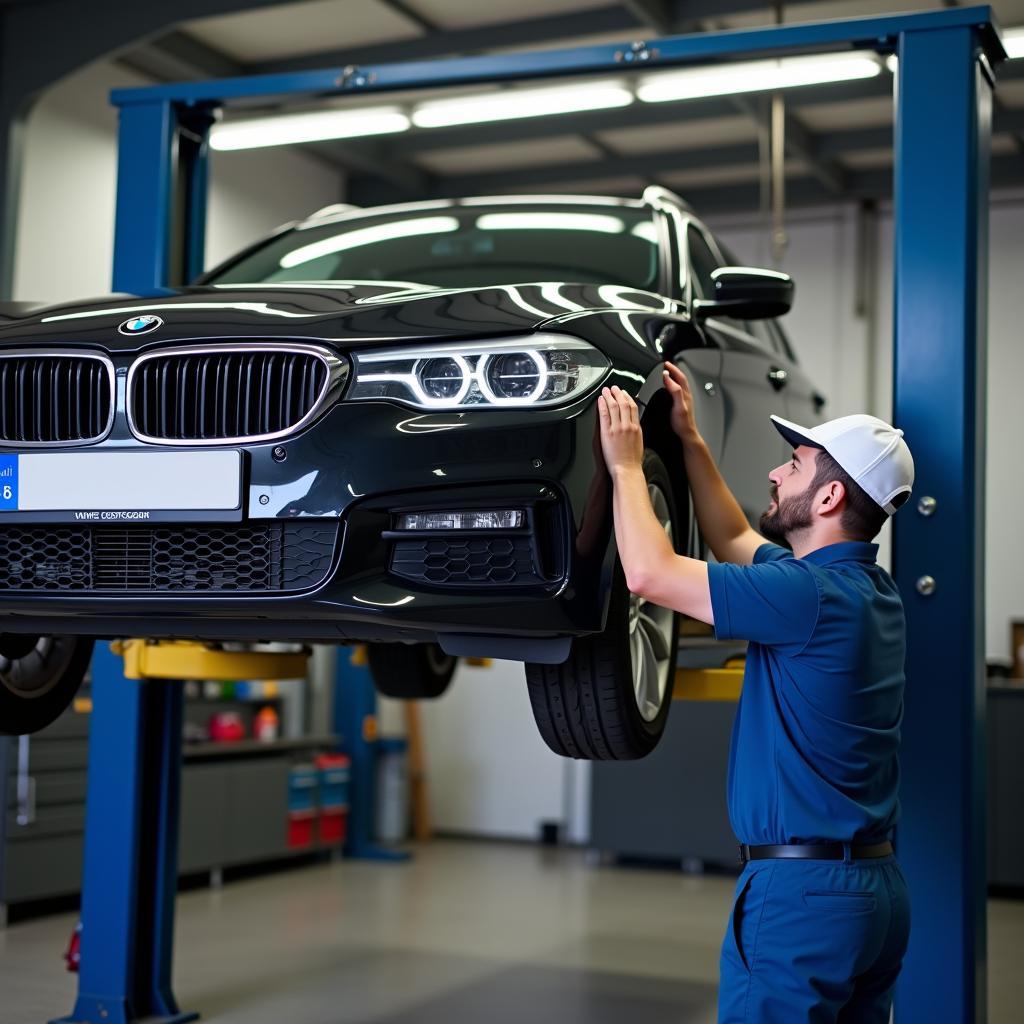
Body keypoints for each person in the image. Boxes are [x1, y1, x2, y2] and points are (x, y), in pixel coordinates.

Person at [596, 362, 915, 1024]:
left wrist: (627, 467)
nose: (774, 473)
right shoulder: (861, 591)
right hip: (874, 894)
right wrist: (690, 442)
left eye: (794, 465)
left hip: (803, 899)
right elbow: (735, 538)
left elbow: (650, 574)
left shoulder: (805, 597)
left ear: (828, 499)